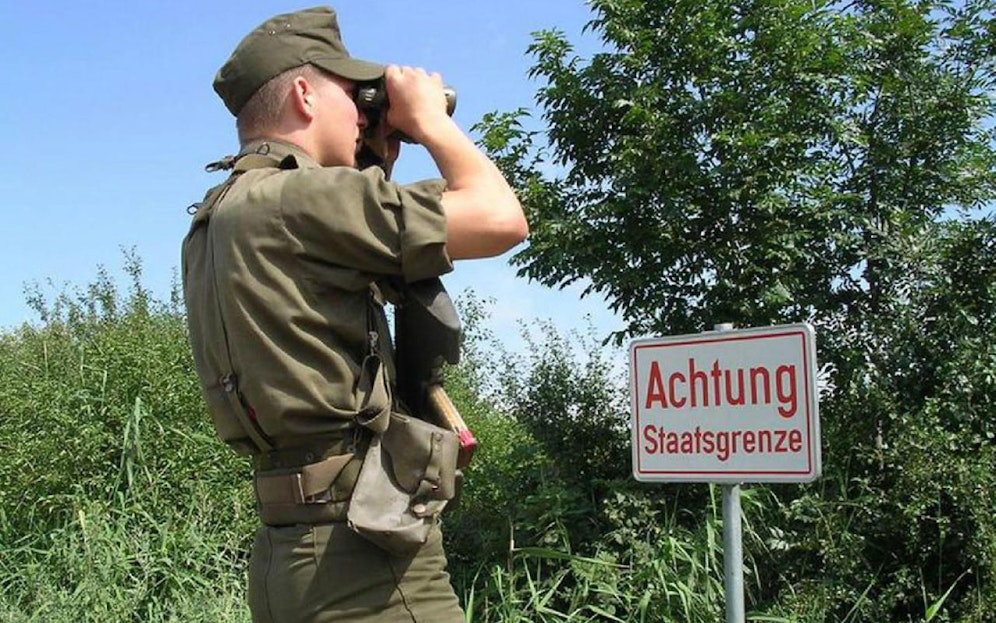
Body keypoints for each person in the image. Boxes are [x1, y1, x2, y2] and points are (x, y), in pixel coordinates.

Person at [181, 6, 527, 623]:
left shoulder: (221, 214)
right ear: (306, 94)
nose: (364, 113)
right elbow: (501, 218)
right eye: (352, 94)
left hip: (289, 552)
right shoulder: (302, 199)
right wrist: (428, 122)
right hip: (366, 559)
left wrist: (377, 158)